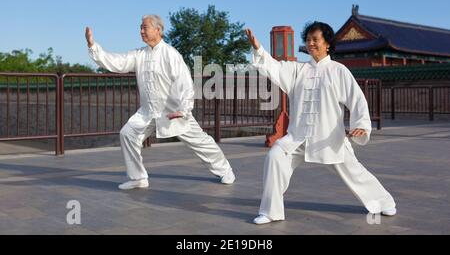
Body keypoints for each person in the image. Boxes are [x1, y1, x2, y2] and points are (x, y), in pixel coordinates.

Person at [246, 22, 396, 225]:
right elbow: (274, 67)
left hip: (329, 138)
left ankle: (384, 202)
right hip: (297, 137)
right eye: (308, 39)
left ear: (327, 44)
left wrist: (360, 124)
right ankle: (271, 211)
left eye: (315, 39)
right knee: (275, 157)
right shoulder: (298, 70)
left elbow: (357, 99)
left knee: (354, 172)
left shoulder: (338, 71)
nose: (310, 43)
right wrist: (258, 49)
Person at [85, 15, 236, 190]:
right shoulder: (139, 54)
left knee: (200, 142)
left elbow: (185, 83)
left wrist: (185, 109)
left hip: (173, 112)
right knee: (128, 134)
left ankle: (225, 170)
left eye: (145, 27)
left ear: (158, 30)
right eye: (140, 27)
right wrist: (93, 46)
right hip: (148, 112)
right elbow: (117, 63)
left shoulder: (171, 54)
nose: (141, 31)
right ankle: (138, 178)